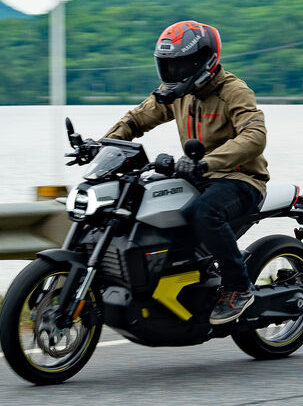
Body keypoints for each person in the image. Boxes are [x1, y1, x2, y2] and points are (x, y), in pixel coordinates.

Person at [105, 20, 269, 324]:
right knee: (144, 203)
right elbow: (138, 118)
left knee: (204, 213)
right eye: (168, 66)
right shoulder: (179, 92)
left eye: (180, 65)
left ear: (204, 61)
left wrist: (206, 162)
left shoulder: (234, 91)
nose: (174, 72)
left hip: (240, 179)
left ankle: (238, 287)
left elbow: (254, 136)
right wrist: (105, 144)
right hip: (197, 176)